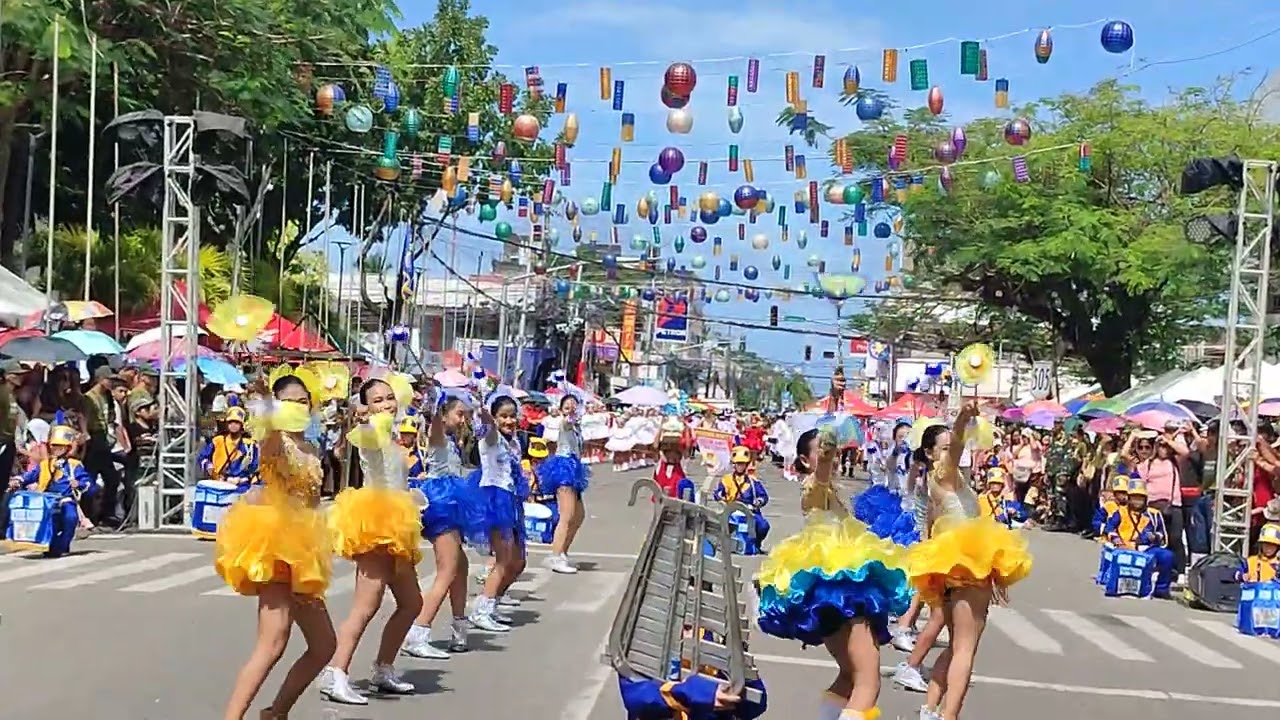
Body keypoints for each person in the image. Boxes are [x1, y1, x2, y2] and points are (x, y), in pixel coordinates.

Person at [756, 422, 910, 720]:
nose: (833, 457)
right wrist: (826, 449)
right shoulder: (814, 486)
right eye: (824, 452)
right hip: (841, 590)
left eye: (835, 452)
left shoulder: (829, 491)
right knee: (868, 681)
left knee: (851, 676)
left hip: (835, 590)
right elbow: (822, 474)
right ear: (804, 460)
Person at [215, 374, 336, 720]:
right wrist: (265, 402)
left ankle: (276, 712)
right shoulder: (276, 442)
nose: (298, 408)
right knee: (273, 641)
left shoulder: (311, 448)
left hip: (305, 551)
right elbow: (267, 433)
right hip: (276, 544)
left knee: (324, 645)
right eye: (290, 401)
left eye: (303, 402)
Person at [907, 402, 1034, 720]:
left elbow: (930, 529)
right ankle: (948, 716)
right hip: (966, 564)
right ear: (932, 452)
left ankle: (930, 708)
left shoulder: (940, 483)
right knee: (965, 647)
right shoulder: (943, 472)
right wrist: (962, 420)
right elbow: (958, 447)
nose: (952, 451)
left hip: (949, 567)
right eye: (945, 447)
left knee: (954, 646)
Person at [321, 374, 425, 704]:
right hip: (377, 525)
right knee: (366, 606)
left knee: (412, 604)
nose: (386, 404)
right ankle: (335, 673)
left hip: (399, 525)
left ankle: (383, 668)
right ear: (366, 406)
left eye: (389, 397)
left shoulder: (395, 435)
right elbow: (365, 435)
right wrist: (363, 419)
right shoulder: (370, 433)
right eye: (377, 400)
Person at [402, 390, 484, 660]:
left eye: (466, 415)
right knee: (447, 570)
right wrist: (437, 399)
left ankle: (459, 626)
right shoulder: (437, 436)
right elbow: (437, 423)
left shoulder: (454, 440)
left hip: (453, 501)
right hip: (442, 503)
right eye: (459, 414)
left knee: (461, 566)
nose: (464, 420)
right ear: (444, 415)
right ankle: (418, 630)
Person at [466, 386, 530, 632]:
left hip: (512, 501)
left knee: (518, 561)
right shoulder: (490, 436)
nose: (509, 420)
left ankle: (493, 602)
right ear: (494, 417)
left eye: (512, 415)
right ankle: (480, 610)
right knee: (503, 560)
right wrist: (482, 410)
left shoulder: (513, 442)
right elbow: (484, 426)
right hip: (495, 500)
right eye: (503, 415)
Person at [6, 412, 96, 556]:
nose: (57, 449)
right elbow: (30, 475)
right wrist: (18, 480)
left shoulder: (74, 465)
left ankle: (62, 546)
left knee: (70, 518)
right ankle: (49, 546)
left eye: (61, 447)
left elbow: (89, 484)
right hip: (46, 500)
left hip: (65, 501)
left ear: (67, 448)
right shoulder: (45, 464)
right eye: (54, 446)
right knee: (48, 525)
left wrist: (78, 483)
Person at [538, 382, 590, 574]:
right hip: (563, 469)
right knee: (566, 515)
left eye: (574, 406)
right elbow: (567, 422)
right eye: (566, 407)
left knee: (579, 515)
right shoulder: (565, 424)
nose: (571, 409)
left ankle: (563, 553)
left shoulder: (576, 427)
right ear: (560, 410)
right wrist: (569, 416)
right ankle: (555, 554)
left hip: (574, 468)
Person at [1103, 477, 1175, 599]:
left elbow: (1163, 536)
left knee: (1167, 556)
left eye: (1140, 498)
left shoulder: (1154, 514)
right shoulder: (1120, 512)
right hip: (1124, 547)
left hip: (1147, 549)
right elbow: (1109, 528)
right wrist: (1116, 540)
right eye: (1134, 498)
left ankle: (1161, 589)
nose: (1137, 501)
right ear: (1129, 498)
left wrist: (1155, 537)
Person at [715, 446, 770, 544]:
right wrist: (720, 496)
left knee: (763, 526)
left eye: (743, 464)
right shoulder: (726, 479)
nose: (740, 466)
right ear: (734, 465)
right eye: (738, 464)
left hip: (750, 511)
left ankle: (756, 543)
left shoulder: (753, 481)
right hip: (731, 510)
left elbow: (763, 496)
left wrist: (759, 501)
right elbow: (718, 493)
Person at [198, 402, 260, 485]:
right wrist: (210, 469)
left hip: (241, 485)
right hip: (218, 483)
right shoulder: (217, 441)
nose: (233, 425)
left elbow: (254, 466)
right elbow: (203, 458)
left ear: (242, 425)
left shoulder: (249, 445)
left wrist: (243, 479)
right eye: (230, 422)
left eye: (236, 422)